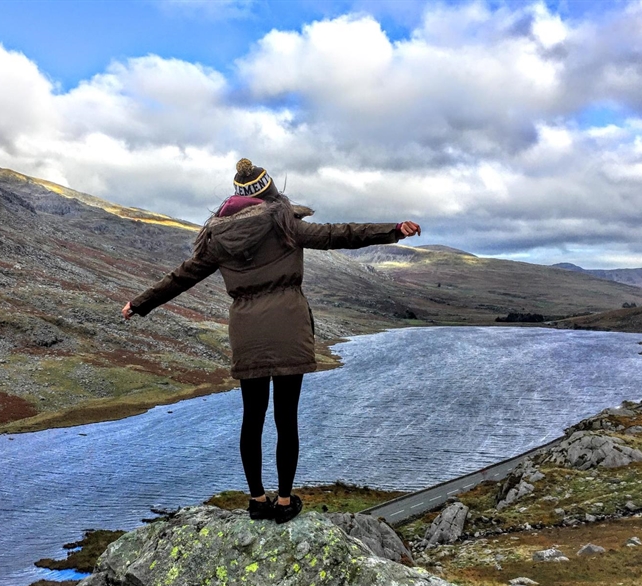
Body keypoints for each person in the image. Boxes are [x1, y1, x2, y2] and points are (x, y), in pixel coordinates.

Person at [122, 158, 420, 524]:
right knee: (286, 418)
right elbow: (338, 234)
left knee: (252, 417)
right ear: (269, 190)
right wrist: (392, 230)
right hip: (288, 326)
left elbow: (181, 277)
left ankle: (256, 499)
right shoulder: (286, 225)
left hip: (247, 331)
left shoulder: (217, 238)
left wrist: (138, 304)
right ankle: (283, 501)